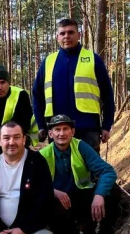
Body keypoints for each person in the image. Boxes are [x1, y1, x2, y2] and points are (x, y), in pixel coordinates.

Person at [39, 114, 118, 234]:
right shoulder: (43, 155)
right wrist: (53, 191)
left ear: (72, 132)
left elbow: (108, 171)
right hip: (58, 204)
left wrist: (99, 195)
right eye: (57, 129)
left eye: (65, 129)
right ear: (50, 134)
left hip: (81, 198)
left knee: (113, 190)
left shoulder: (81, 147)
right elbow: (34, 185)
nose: (61, 133)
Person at [32, 18, 115, 153]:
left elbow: (107, 94)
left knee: (89, 171)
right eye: (63, 33)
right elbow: (37, 96)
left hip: (88, 129)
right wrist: (41, 125)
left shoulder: (93, 59)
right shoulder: (48, 62)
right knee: (60, 172)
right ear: (57, 37)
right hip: (57, 130)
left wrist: (106, 125)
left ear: (79, 35)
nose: (67, 36)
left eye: (71, 32)